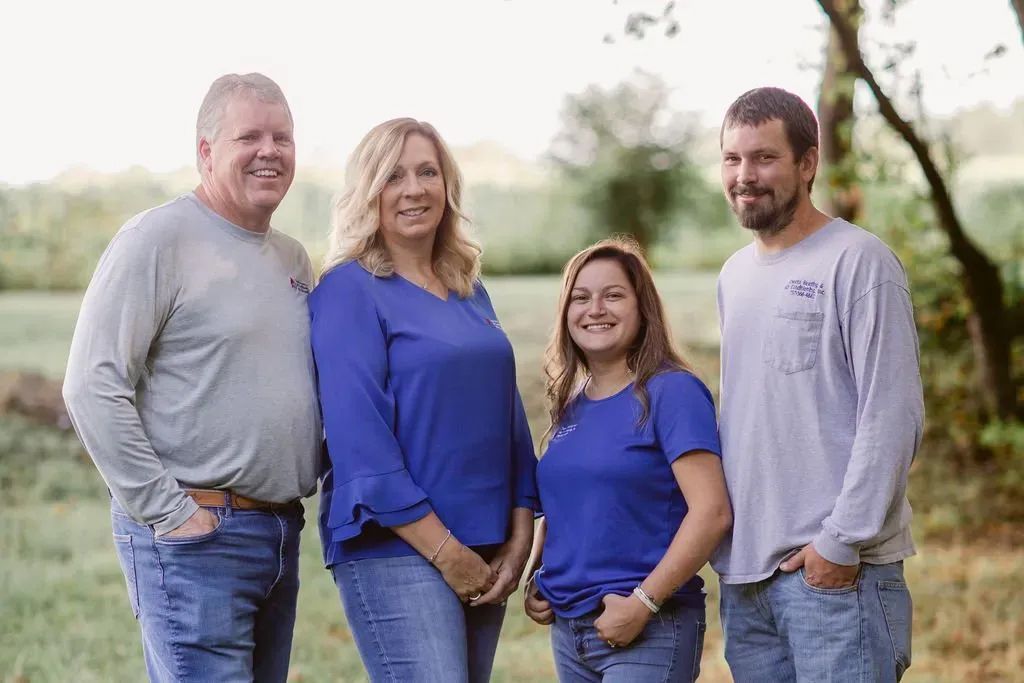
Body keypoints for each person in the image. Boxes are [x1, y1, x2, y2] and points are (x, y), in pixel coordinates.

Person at [61, 73, 320, 682]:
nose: (270, 151)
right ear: (206, 152)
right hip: (199, 536)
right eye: (248, 136)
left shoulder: (292, 257)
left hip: (278, 532)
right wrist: (170, 513)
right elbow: (92, 385)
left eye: (282, 137)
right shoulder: (157, 239)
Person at [309, 118, 538, 682]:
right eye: (393, 176)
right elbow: (359, 439)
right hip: (396, 548)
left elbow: (507, 413)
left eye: (427, 172)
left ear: (447, 185)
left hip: (486, 543)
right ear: (368, 193)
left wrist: (519, 532)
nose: (414, 189)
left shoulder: (468, 287)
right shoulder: (347, 290)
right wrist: (445, 553)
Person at [713, 86, 924, 682]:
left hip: (836, 578)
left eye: (764, 158)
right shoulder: (734, 275)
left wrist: (840, 543)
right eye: (732, 159)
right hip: (748, 580)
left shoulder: (859, 261)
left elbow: (893, 415)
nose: (745, 176)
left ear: (808, 164)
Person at [522, 238, 732, 682]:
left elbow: (712, 512)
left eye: (613, 295)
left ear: (642, 309)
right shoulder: (571, 404)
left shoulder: (672, 392)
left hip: (650, 627)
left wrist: (643, 602)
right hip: (571, 631)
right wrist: (539, 578)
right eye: (580, 298)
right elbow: (564, 507)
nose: (594, 308)